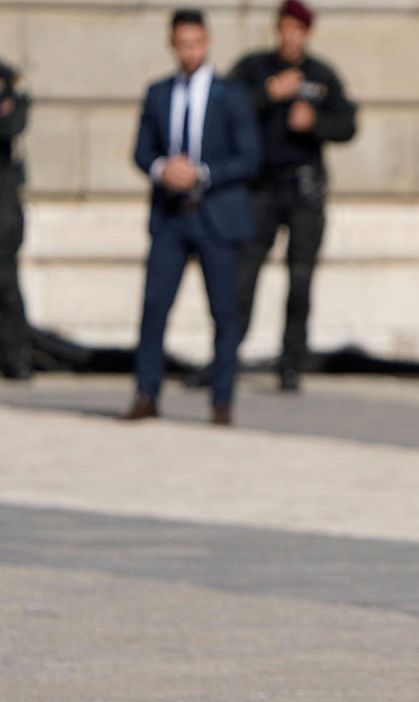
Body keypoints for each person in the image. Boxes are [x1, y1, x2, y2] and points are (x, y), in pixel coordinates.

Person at [125, 8, 261, 425]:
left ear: (207, 41)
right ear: (172, 44)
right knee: (154, 307)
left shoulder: (231, 94)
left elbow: (250, 157)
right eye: (182, 44)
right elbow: (141, 150)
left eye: (196, 43)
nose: (189, 51)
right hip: (170, 217)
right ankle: (146, 393)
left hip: (215, 217)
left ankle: (222, 400)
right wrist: (163, 169)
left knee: (224, 312)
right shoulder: (158, 93)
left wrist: (202, 174)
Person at [227, 0, 358, 393]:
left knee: (300, 278)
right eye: (284, 28)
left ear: (307, 33)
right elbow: (226, 109)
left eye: (297, 30)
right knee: (243, 275)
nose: (290, 36)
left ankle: (291, 363)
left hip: (304, 188)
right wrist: (268, 93)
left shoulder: (321, 75)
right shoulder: (254, 68)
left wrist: (315, 122)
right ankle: (226, 355)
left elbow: (347, 124)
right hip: (261, 187)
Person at [0, 58, 31, 381]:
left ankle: (13, 355)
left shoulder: (8, 79)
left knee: (6, 284)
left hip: (4, 210)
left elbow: (12, 124)